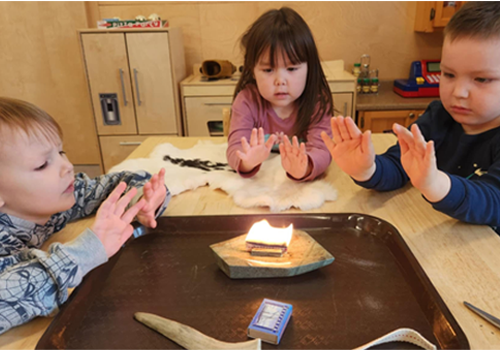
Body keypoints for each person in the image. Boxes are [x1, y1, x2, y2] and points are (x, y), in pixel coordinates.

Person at [321, 1, 500, 232]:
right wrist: (367, 170)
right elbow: (399, 165)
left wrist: (435, 183)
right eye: (448, 74)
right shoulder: (439, 117)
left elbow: (494, 202)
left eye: (481, 79)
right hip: (440, 236)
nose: (458, 92)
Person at [0, 97, 170, 333]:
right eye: (42, 165)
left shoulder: (56, 199)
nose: (67, 166)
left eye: (61, 152)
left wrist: (143, 199)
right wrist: (85, 252)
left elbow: (121, 183)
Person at [226, 7, 333, 181]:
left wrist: (305, 168)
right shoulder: (247, 101)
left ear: (309, 68)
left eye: (291, 69)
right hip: (261, 184)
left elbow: (323, 150)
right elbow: (235, 148)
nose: (280, 81)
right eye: (268, 69)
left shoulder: (317, 102)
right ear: (252, 70)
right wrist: (247, 162)